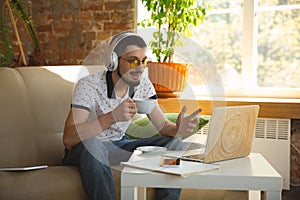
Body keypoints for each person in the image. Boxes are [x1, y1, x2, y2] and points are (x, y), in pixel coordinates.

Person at [62, 31, 201, 200]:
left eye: (143, 61)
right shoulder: (88, 85)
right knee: (93, 144)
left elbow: (164, 127)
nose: (140, 68)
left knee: (174, 143)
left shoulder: (143, 85)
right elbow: (69, 139)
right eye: (133, 61)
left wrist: (178, 129)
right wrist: (112, 116)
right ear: (113, 60)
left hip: (119, 146)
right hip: (86, 150)